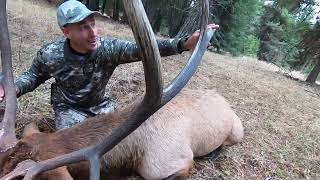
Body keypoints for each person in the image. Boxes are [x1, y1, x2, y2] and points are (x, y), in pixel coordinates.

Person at [0, 0, 219, 130]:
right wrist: (12, 89)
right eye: (83, 27)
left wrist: (183, 44)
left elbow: (145, 49)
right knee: (75, 144)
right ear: (66, 32)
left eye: (93, 24)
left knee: (126, 135)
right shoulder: (50, 55)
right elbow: (32, 77)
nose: (93, 32)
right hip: (69, 109)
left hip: (100, 105)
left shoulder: (108, 49)